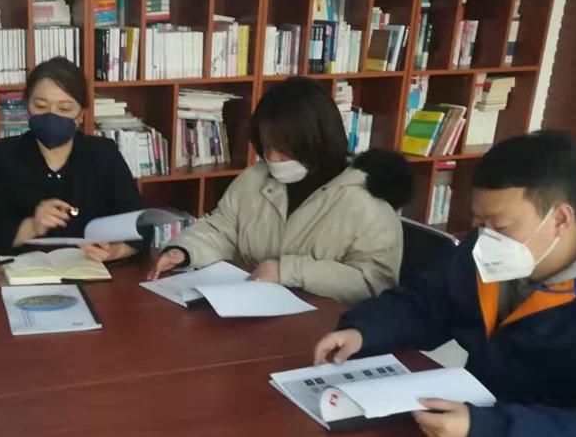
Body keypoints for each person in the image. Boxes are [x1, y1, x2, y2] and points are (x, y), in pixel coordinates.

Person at [313, 131, 576, 437]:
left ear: (560, 219)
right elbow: (428, 301)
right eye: (480, 224)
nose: (485, 239)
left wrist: (487, 430)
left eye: (500, 226)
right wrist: (363, 330)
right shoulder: (492, 252)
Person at [147, 77, 413, 305]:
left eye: (284, 148)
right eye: (266, 146)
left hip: (328, 328)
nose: (273, 158)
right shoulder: (255, 179)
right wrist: (185, 251)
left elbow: (372, 284)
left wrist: (289, 271)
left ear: (315, 140)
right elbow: (222, 229)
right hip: (252, 313)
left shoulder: (368, 200)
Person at [0, 57, 145, 259]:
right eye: (40, 106)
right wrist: (32, 226)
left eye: (64, 109)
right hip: (24, 270)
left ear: (81, 115)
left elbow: (141, 225)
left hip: (91, 268)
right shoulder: (4, 154)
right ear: (27, 107)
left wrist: (116, 251)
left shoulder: (104, 154)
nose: (52, 116)